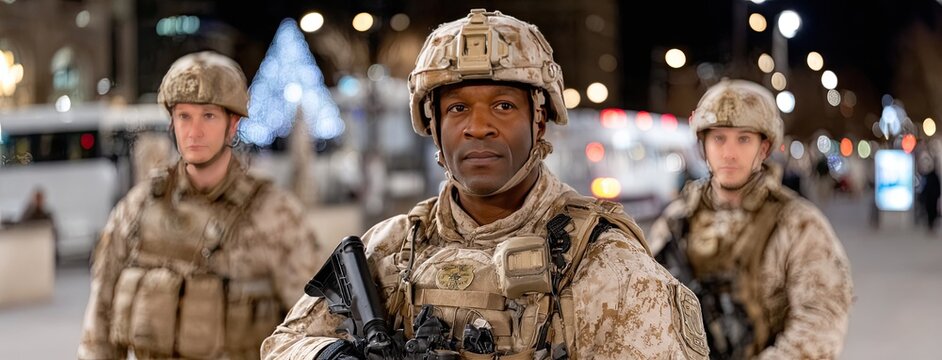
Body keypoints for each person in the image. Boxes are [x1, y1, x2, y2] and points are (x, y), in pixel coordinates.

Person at [262, 9, 708, 360]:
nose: (478, 127)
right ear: (433, 126)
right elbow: (284, 345)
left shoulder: (604, 262)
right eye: (457, 108)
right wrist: (334, 354)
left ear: (539, 119)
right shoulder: (388, 249)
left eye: (502, 105)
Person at [78, 51, 322, 360]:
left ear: (232, 125)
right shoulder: (136, 210)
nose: (194, 132)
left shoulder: (274, 214)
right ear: (172, 123)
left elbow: (315, 328)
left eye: (208, 115)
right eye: (184, 116)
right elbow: (98, 326)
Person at [647, 79, 853, 359]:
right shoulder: (676, 221)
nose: (729, 153)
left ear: (764, 149)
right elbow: (644, 310)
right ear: (703, 146)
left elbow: (819, 326)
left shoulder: (798, 224)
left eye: (743, 139)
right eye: (719, 138)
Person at [917, 151, 940, 233]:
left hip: (932, 197)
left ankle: (931, 225)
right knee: (930, 211)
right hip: (929, 197)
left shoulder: (932, 176)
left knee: (932, 211)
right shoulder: (927, 176)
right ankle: (930, 225)